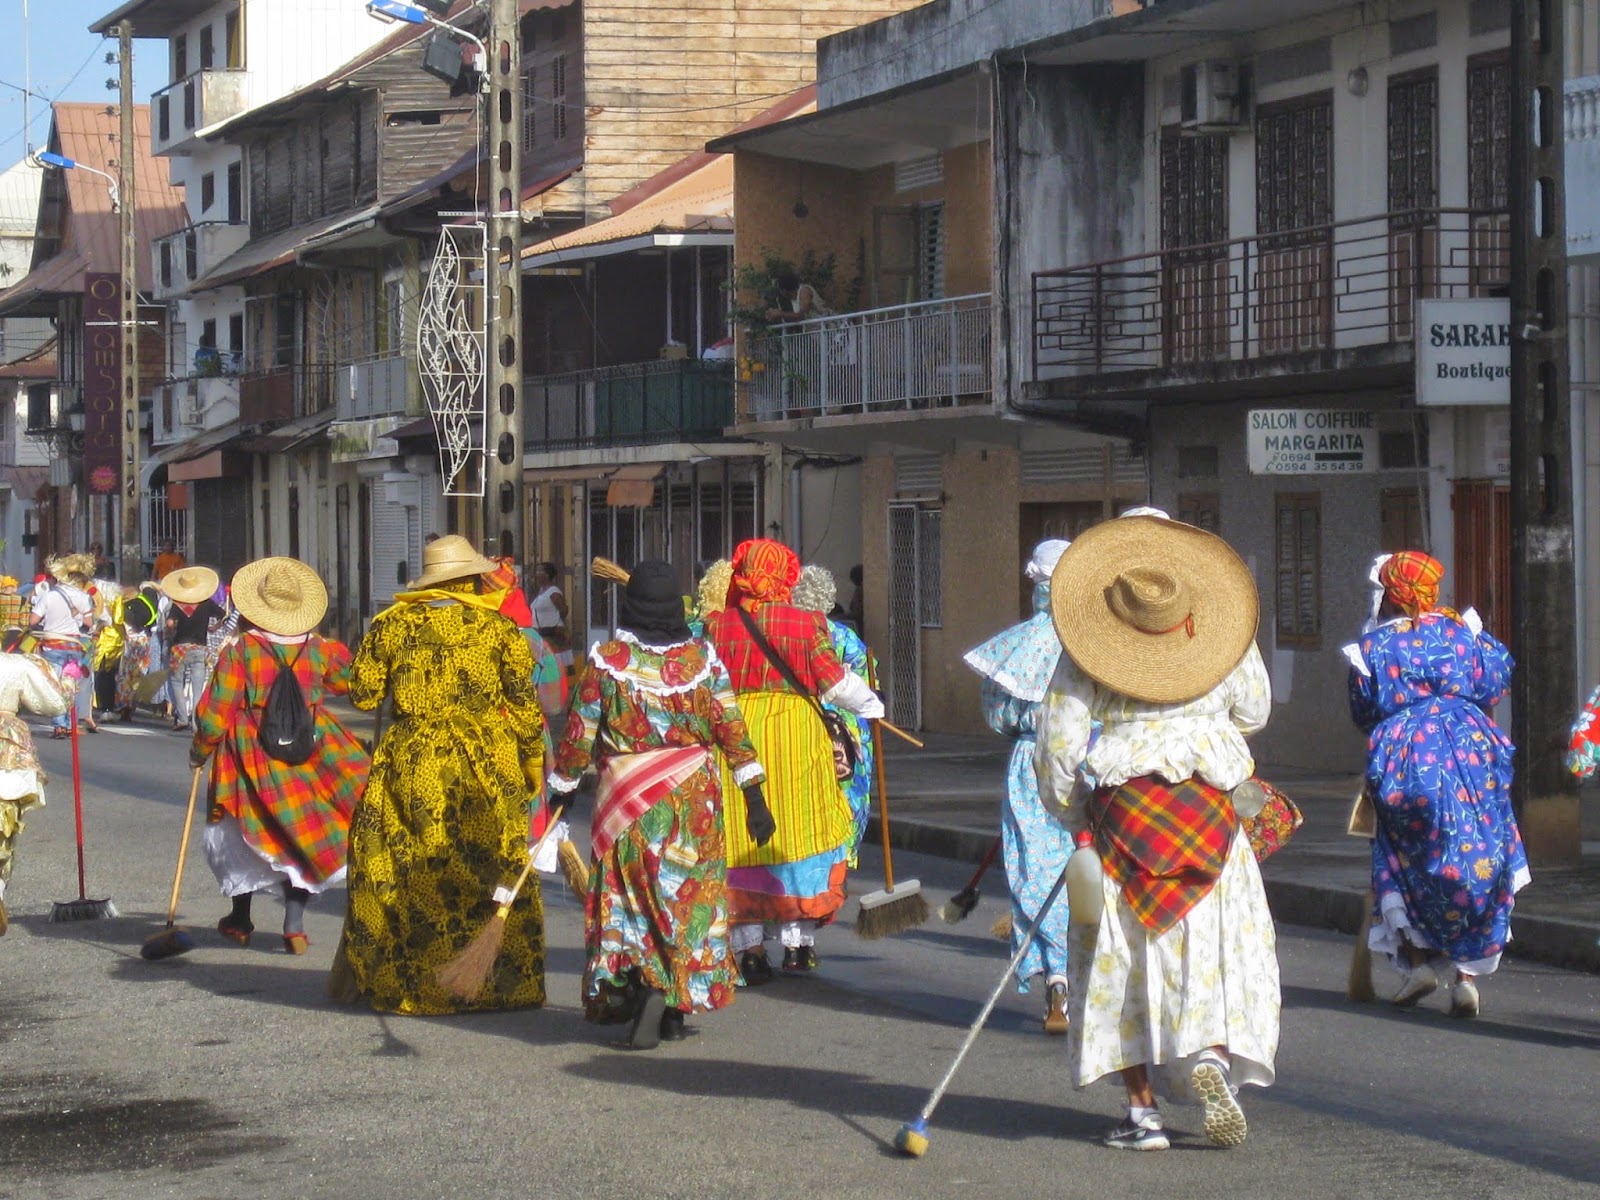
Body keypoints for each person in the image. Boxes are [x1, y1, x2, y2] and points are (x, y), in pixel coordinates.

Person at [1036, 513, 1277, 1151]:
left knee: (1119, 953)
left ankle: (1142, 1114)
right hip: (1210, 810)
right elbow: (1253, 709)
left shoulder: (1085, 647)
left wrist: (1073, 815)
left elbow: (1059, 747)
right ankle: (1212, 1054)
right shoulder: (1224, 635)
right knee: (1216, 939)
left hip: (1123, 814)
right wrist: (1197, 712)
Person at [550, 560, 771, 1049]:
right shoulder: (704, 663)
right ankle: (674, 1003)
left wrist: (561, 788)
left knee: (632, 901)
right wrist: (755, 799)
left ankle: (647, 985)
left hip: (626, 807)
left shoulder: (607, 660)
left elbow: (578, 733)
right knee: (686, 899)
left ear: (629, 608)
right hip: (694, 808)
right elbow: (733, 732)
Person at [331, 535, 547, 1015]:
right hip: (489, 762)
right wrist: (532, 763)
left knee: (411, 867)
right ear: (471, 577)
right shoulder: (500, 630)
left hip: (415, 759)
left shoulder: (392, 625)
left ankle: (417, 984)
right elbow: (524, 708)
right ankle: (497, 984)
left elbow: (362, 695)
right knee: (492, 864)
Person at [1346, 550, 1527, 1017]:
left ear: (1390, 592)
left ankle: (1417, 963)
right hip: (1471, 747)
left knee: (1408, 857)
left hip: (1406, 754)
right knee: (1477, 850)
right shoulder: (1461, 633)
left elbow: (1363, 711)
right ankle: (1467, 975)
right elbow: (1494, 681)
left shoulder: (1373, 648)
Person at [703, 538, 882, 980]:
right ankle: (798, 945)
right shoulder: (804, 624)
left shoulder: (716, 627)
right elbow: (833, 682)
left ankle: (748, 950)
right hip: (795, 737)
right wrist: (870, 705)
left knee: (742, 841)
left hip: (735, 737)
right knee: (803, 830)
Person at [189, 558, 370, 953]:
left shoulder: (241, 651)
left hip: (251, 748)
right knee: (299, 830)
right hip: (311, 745)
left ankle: (240, 919)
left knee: (241, 832)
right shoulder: (320, 648)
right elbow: (353, 684)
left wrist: (200, 750)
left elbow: (218, 709)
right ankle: (294, 924)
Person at [962, 538, 1074, 1035]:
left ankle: (1057, 975)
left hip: (1033, 765)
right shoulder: (1101, 647)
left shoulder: (1022, 644)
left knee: (1039, 868)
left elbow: (1000, 714)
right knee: (1090, 868)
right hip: (1091, 764)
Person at [790, 565, 877, 866]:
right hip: (847, 726)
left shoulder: (790, 636)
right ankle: (845, 852)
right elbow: (869, 679)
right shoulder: (844, 637)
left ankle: (813, 855)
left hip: (805, 720)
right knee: (849, 790)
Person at [0, 649, 74, 935]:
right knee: (5, 833)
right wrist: (67, 680)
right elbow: (53, 703)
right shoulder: (15, 664)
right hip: (8, 758)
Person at [32, 555, 97, 738]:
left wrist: (44, 627)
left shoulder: (49, 596)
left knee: (56, 685)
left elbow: (33, 621)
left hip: (52, 645)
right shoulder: (83, 597)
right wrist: (75, 628)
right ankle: (70, 722)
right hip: (73, 645)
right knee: (70, 685)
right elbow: (88, 623)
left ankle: (59, 724)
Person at [161, 565, 223, 732]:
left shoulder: (177, 604)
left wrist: (172, 626)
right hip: (200, 648)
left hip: (179, 648)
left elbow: (169, 623)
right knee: (197, 686)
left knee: (176, 682)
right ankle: (196, 723)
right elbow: (224, 614)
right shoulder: (207, 603)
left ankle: (182, 717)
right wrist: (214, 627)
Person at [530, 561, 572, 672]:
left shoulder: (554, 592)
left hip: (553, 633)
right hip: (542, 633)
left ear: (547, 575)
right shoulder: (541, 592)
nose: (537, 574)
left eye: (540, 571)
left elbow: (563, 610)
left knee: (555, 665)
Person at [764, 272, 831, 324]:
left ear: (784, 291)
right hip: (818, 333)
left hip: (830, 329)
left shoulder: (804, 291)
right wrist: (777, 314)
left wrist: (781, 314)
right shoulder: (793, 299)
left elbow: (800, 316)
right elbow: (794, 318)